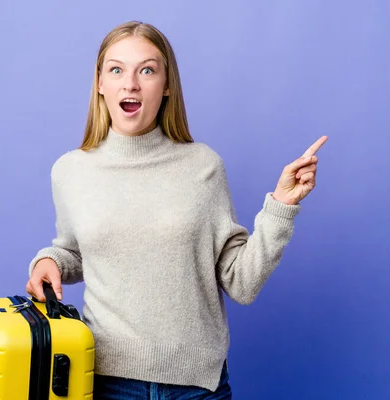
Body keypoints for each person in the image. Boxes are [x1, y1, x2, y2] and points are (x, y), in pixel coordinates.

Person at [26, 20, 327, 399]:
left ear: (167, 86)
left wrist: (281, 206)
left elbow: (242, 283)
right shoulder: (70, 171)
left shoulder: (203, 166)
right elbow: (73, 251)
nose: (130, 83)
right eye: (116, 69)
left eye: (147, 70)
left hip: (197, 388)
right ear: (100, 83)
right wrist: (48, 261)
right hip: (104, 381)